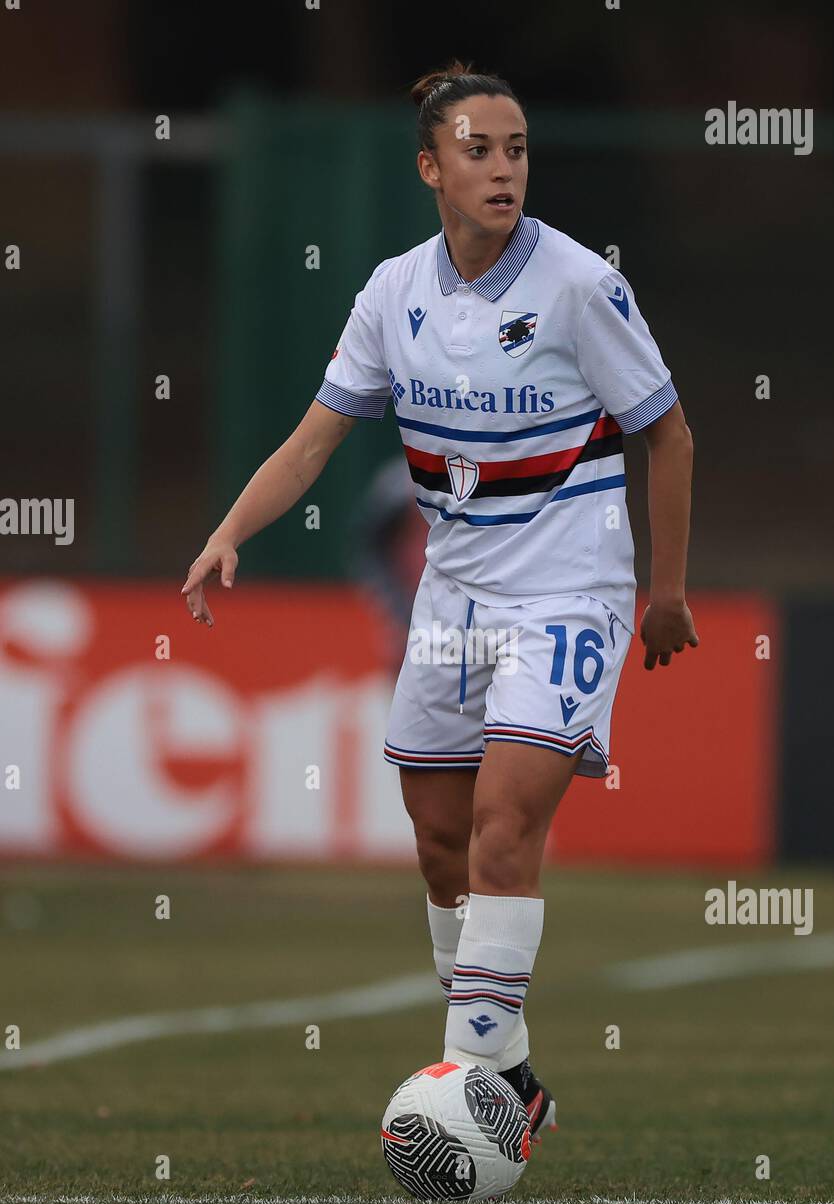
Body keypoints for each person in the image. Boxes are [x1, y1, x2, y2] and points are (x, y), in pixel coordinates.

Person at [181, 58, 698, 1145]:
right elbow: (316, 438)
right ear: (431, 167)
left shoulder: (575, 284)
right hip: (454, 602)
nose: (502, 169)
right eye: (478, 150)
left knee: (508, 828)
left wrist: (665, 590)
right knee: (440, 841)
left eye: (515, 150)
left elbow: (668, 431)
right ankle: (512, 1078)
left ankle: (467, 1086)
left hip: (568, 593)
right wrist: (232, 531)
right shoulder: (390, 293)